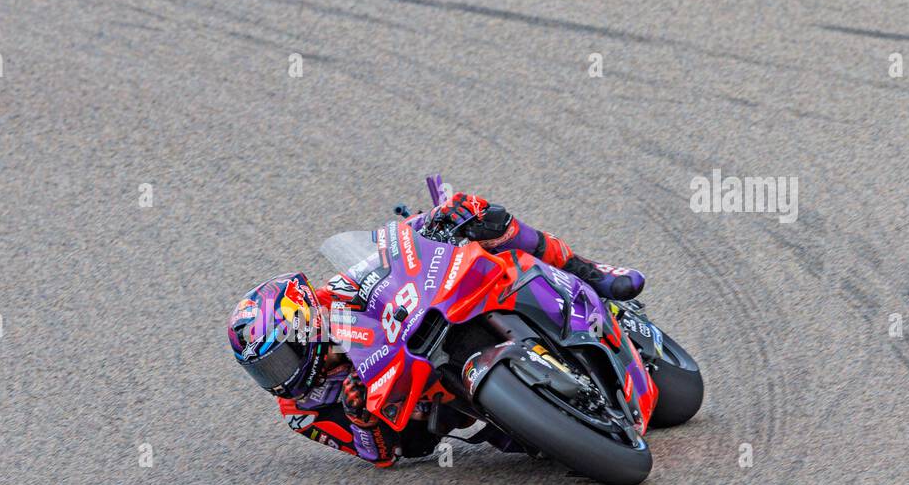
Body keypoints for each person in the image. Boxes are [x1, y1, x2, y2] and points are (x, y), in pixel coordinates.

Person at [227, 191, 646, 466]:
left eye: (280, 359)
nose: (279, 378)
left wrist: (439, 220)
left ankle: (589, 272)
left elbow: (393, 250)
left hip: (430, 324)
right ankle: (554, 412)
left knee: (481, 216)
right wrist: (360, 419)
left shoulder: (335, 295)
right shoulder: (301, 412)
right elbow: (379, 458)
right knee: (523, 451)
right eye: (264, 371)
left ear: (304, 322)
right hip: (430, 409)